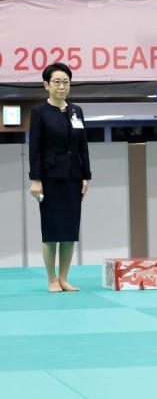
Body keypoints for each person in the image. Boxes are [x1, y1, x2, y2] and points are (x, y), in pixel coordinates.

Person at [28, 63, 91, 292]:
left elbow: (83, 145)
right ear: (46, 85)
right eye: (56, 82)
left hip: (74, 176)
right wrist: (36, 179)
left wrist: (86, 176)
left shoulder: (76, 111)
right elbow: (35, 148)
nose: (62, 86)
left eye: (66, 81)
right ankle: (51, 279)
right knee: (52, 230)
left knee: (69, 230)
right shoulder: (39, 112)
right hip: (50, 177)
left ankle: (64, 277)